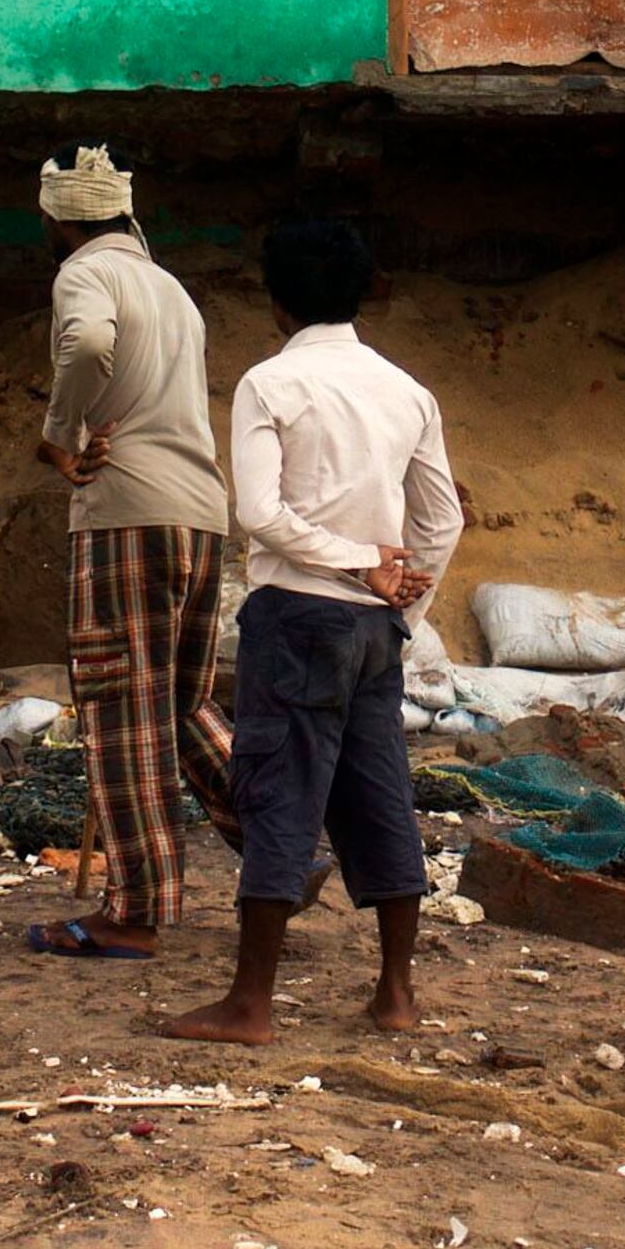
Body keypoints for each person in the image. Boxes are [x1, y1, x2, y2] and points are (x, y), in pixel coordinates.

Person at [162, 217, 463, 1046]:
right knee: (378, 797)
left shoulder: (269, 383)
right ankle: (396, 992)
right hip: (376, 632)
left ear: (277, 301)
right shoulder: (407, 390)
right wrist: (399, 603)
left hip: (296, 616)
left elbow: (258, 512)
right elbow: (441, 522)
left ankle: (249, 1004)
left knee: (279, 797)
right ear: (363, 291)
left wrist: (355, 561)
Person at [22, 144, 236, 961]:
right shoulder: (173, 289)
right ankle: (289, 850)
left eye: (46, 216)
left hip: (125, 516)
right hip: (202, 514)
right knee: (180, 708)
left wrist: (59, 438)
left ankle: (134, 913)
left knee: (121, 713)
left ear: (66, 218)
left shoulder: (83, 274)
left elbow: (83, 348)